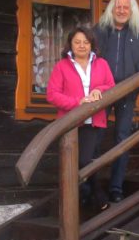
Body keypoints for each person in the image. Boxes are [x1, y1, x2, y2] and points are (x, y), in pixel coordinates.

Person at [46, 26, 115, 210]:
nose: (82, 46)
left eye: (86, 42)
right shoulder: (62, 66)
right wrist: (78, 102)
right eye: (77, 42)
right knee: (77, 162)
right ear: (70, 44)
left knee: (85, 161)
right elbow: (52, 94)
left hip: (94, 122)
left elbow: (111, 86)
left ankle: (87, 197)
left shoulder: (102, 64)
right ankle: (94, 197)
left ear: (92, 44)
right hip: (70, 123)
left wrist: (98, 90)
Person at [94, 0, 139, 203]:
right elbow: (90, 59)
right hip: (101, 93)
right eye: (117, 7)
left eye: (125, 7)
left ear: (131, 11)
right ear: (112, 8)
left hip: (128, 93)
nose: (121, 10)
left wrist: (137, 88)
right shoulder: (100, 30)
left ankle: (116, 188)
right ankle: (91, 186)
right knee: (95, 137)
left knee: (123, 138)